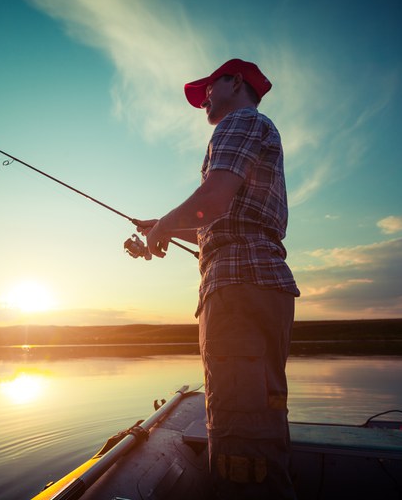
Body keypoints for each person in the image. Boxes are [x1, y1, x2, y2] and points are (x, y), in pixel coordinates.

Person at [137, 58, 300, 499]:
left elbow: (213, 198)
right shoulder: (257, 128)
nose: (205, 98)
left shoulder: (240, 122)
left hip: (237, 286)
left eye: (210, 87)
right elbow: (222, 214)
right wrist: (164, 226)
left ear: (235, 82)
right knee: (260, 412)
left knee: (238, 429)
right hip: (256, 281)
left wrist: (164, 226)